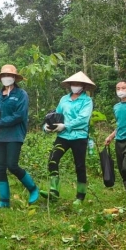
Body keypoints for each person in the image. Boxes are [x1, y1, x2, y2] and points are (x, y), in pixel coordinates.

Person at [0, 65, 39, 208]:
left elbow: (19, 116)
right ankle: (4, 201)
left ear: (15, 78)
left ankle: (33, 189)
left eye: (9, 75)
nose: (6, 78)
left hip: (15, 135)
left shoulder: (21, 95)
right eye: (3, 76)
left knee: (12, 165)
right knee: (0, 168)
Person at [43, 72, 95, 207]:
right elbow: (57, 115)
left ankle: (80, 195)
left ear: (83, 86)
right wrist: (49, 126)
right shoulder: (64, 99)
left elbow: (83, 119)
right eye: (73, 84)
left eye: (78, 84)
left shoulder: (87, 101)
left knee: (80, 166)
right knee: (53, 160)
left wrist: (65, 125)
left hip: (79, 136)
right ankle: (54, 190)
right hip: (63, 136)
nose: (75, 86)